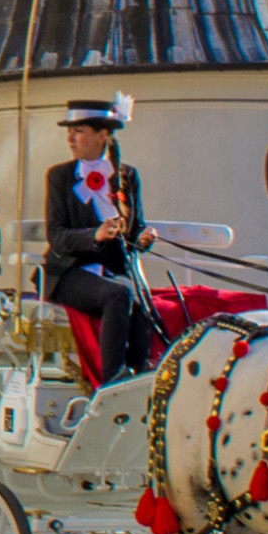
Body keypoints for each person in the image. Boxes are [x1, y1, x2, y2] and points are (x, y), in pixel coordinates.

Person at [42, 96, 157, 383]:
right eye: (70, 131)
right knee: (119, 295)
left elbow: (135, 227)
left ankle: (138, 377)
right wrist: (95, 234)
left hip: (112, 270)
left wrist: (142, 238)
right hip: (69, 272)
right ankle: (112, 382)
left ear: (103, 135)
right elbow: (56, 236)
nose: (70, 138)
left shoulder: (127, 175)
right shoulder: (59, 176)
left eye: (78, 131)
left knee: (142, 299)